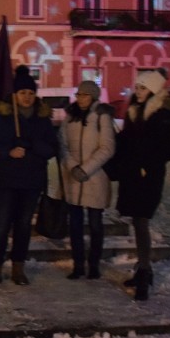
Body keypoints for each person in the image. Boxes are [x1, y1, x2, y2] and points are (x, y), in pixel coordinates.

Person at [0, 65, 59, 287]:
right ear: (15, 94)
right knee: (0, 226)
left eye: (31, 93)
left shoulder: (42, 119)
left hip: (31, 182)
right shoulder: (1, 115)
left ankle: (18, 268)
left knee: (23, 226)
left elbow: (52, 147)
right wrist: (7, 151)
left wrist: (33, 145)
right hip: (4, 181)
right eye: (23, 93)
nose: (27, 97)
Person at [116, 69, 170, 301]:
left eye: (142, 88)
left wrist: (146, 162)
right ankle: (144, 269)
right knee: (136, 220)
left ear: (153, 90)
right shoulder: (134, 112)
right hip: (132, 175)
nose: (138, 91)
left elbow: (168, 151)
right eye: (137, 87)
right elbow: (127, 141)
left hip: (149, 177)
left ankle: (144, 272)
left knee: (141, 221)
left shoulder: (161, 115)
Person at [60, 80, 116, 280]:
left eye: (85, 95)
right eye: (79, 95)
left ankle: (93, 265)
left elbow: (107, 148)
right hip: (74, 178)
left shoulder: (102, 117)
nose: (81, 99)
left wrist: (86, 168)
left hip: (95, 177)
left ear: (93, 96)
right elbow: (63, 145)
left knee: (95, 225)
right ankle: (78, 265)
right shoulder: (70, 117)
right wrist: (73, 166)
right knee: (75, 225)